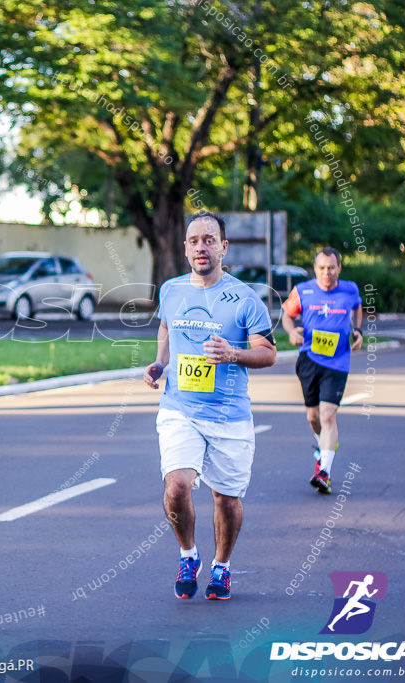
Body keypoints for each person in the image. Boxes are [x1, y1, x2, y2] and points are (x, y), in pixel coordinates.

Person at [144, 211, 276, 602]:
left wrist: (234, 354)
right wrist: (160, 363)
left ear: (223, 247)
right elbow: (166, 327)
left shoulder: (245, 297)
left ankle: (221, 565)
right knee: (176, 488)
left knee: (226, 498)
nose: (201, 246)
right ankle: (189, 555)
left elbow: (268, 353)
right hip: (179, 409)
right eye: (194, 240)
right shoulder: (171, 291)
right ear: (185, 248)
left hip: (229, 416)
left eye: (209, 239)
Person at [280, 248, 362, 495]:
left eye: (332, 268)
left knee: (328, 416)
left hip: (337, 361)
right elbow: (287, 315)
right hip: (309, 359)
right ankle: (324, 445)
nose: (327, 273)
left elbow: (357, 308)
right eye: (322, 268)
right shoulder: (303, 290)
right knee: (313, 418)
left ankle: (323, 470)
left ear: (339, 268)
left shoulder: (350, 289)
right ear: (315, 269)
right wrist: (291, 331)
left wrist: (357, 331)